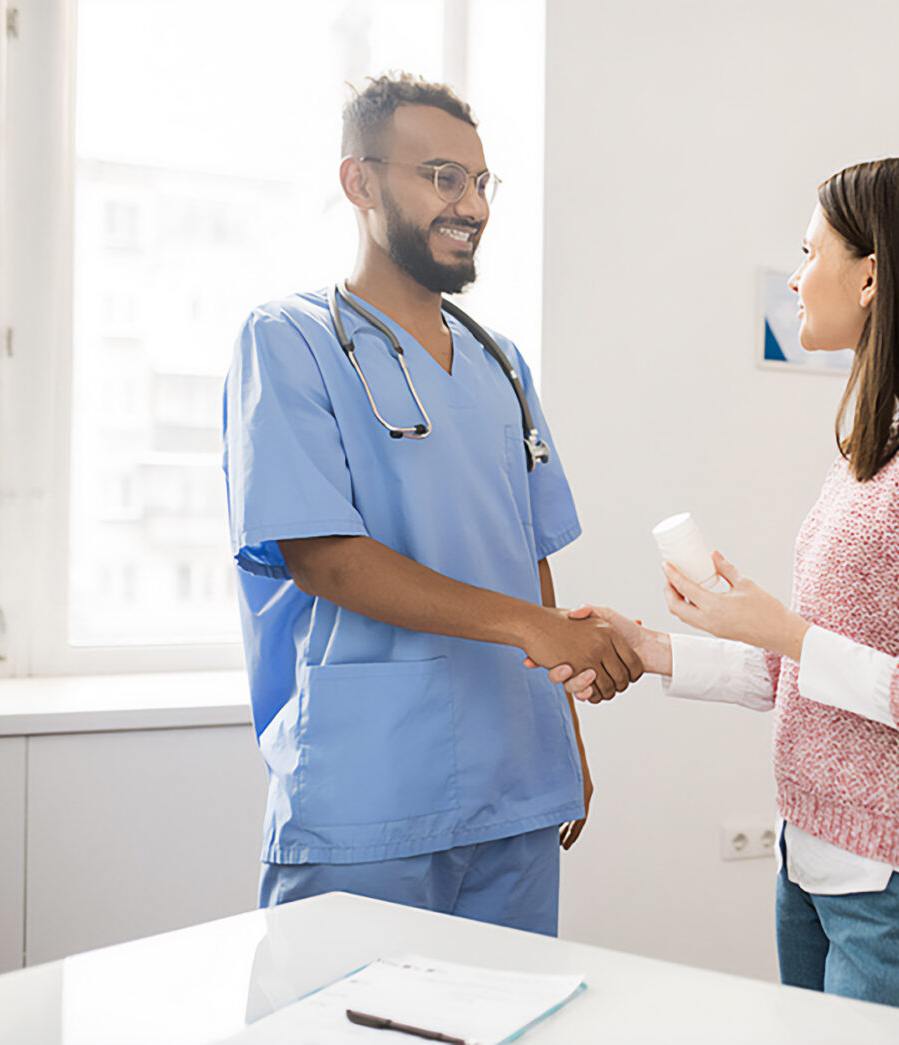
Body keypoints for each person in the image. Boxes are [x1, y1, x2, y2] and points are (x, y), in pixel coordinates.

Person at [552, 158, 899, 1020]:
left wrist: (791, 633)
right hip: (823, 861)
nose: (794, 276)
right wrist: (651, 647)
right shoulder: (885, 447)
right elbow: (822, 678)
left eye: (806, 250)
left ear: (871, 275)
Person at [221, 73, 641, 935]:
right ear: (360, 182)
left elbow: (529, 555)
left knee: (507, 1022)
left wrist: (562, 731)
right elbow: (324, 555)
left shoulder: (501, 363)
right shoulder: (288, 339)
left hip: (517, 781)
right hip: (369, 784)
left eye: (482, 182)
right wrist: (533, 629)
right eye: (443, 176)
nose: (472, 204)